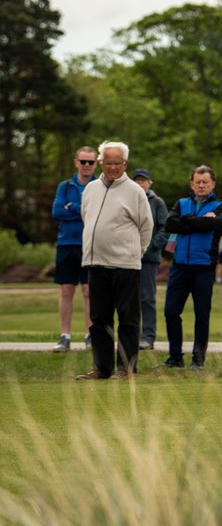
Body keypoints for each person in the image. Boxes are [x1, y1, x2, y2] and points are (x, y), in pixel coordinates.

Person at [76, 142, 152, 379]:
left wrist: (134, 253)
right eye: (108, 163)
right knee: (99, 319)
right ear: (101, 163)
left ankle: (126, 369)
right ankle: (102, 368)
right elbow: (86, 217)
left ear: (125, 164)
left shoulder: (135, 191)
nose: (112, 167)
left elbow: (146, 227)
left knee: (128, 319)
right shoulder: (90, 189)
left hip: (125, 266)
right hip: (96, 263)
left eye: (117, 164)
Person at [161, 165, 222, 370]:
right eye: (197, 182)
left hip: (204, 268)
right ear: (191, 184)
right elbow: (169, 224)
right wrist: (197, 222)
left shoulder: (220, 206)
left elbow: (212, 225)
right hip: (179, 266)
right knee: (171, 311)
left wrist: (188, 221)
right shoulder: (182, 203)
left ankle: (197, 360)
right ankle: (175, 358)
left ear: (213, 184)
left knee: (202, 315)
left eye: (205, 182)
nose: (201, 185)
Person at [51, 146, 98, 351]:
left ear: (96, 163)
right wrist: (81, 211)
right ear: (76, 162)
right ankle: (65, 335)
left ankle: (90, 334)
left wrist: (74, 207)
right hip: (67, 244)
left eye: (91, 162)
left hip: (91, 244)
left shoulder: (100, 185)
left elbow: (95, 214)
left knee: (89, 290)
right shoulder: (65, 186)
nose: (86, 165)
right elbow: (57, 211)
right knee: (66, 290)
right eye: (83, 161)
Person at [131, 169, 169, 350]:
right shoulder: (128, 200)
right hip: (128, 257)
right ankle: (132, 335)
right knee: (130, 299)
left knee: (147, 298)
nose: (140, 184)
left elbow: (165, 228)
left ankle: (148, 336)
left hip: (149, 258)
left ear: (149, 183)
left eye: (143, 181)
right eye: (137, 180)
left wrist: (152, 244)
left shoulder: (157, 203)